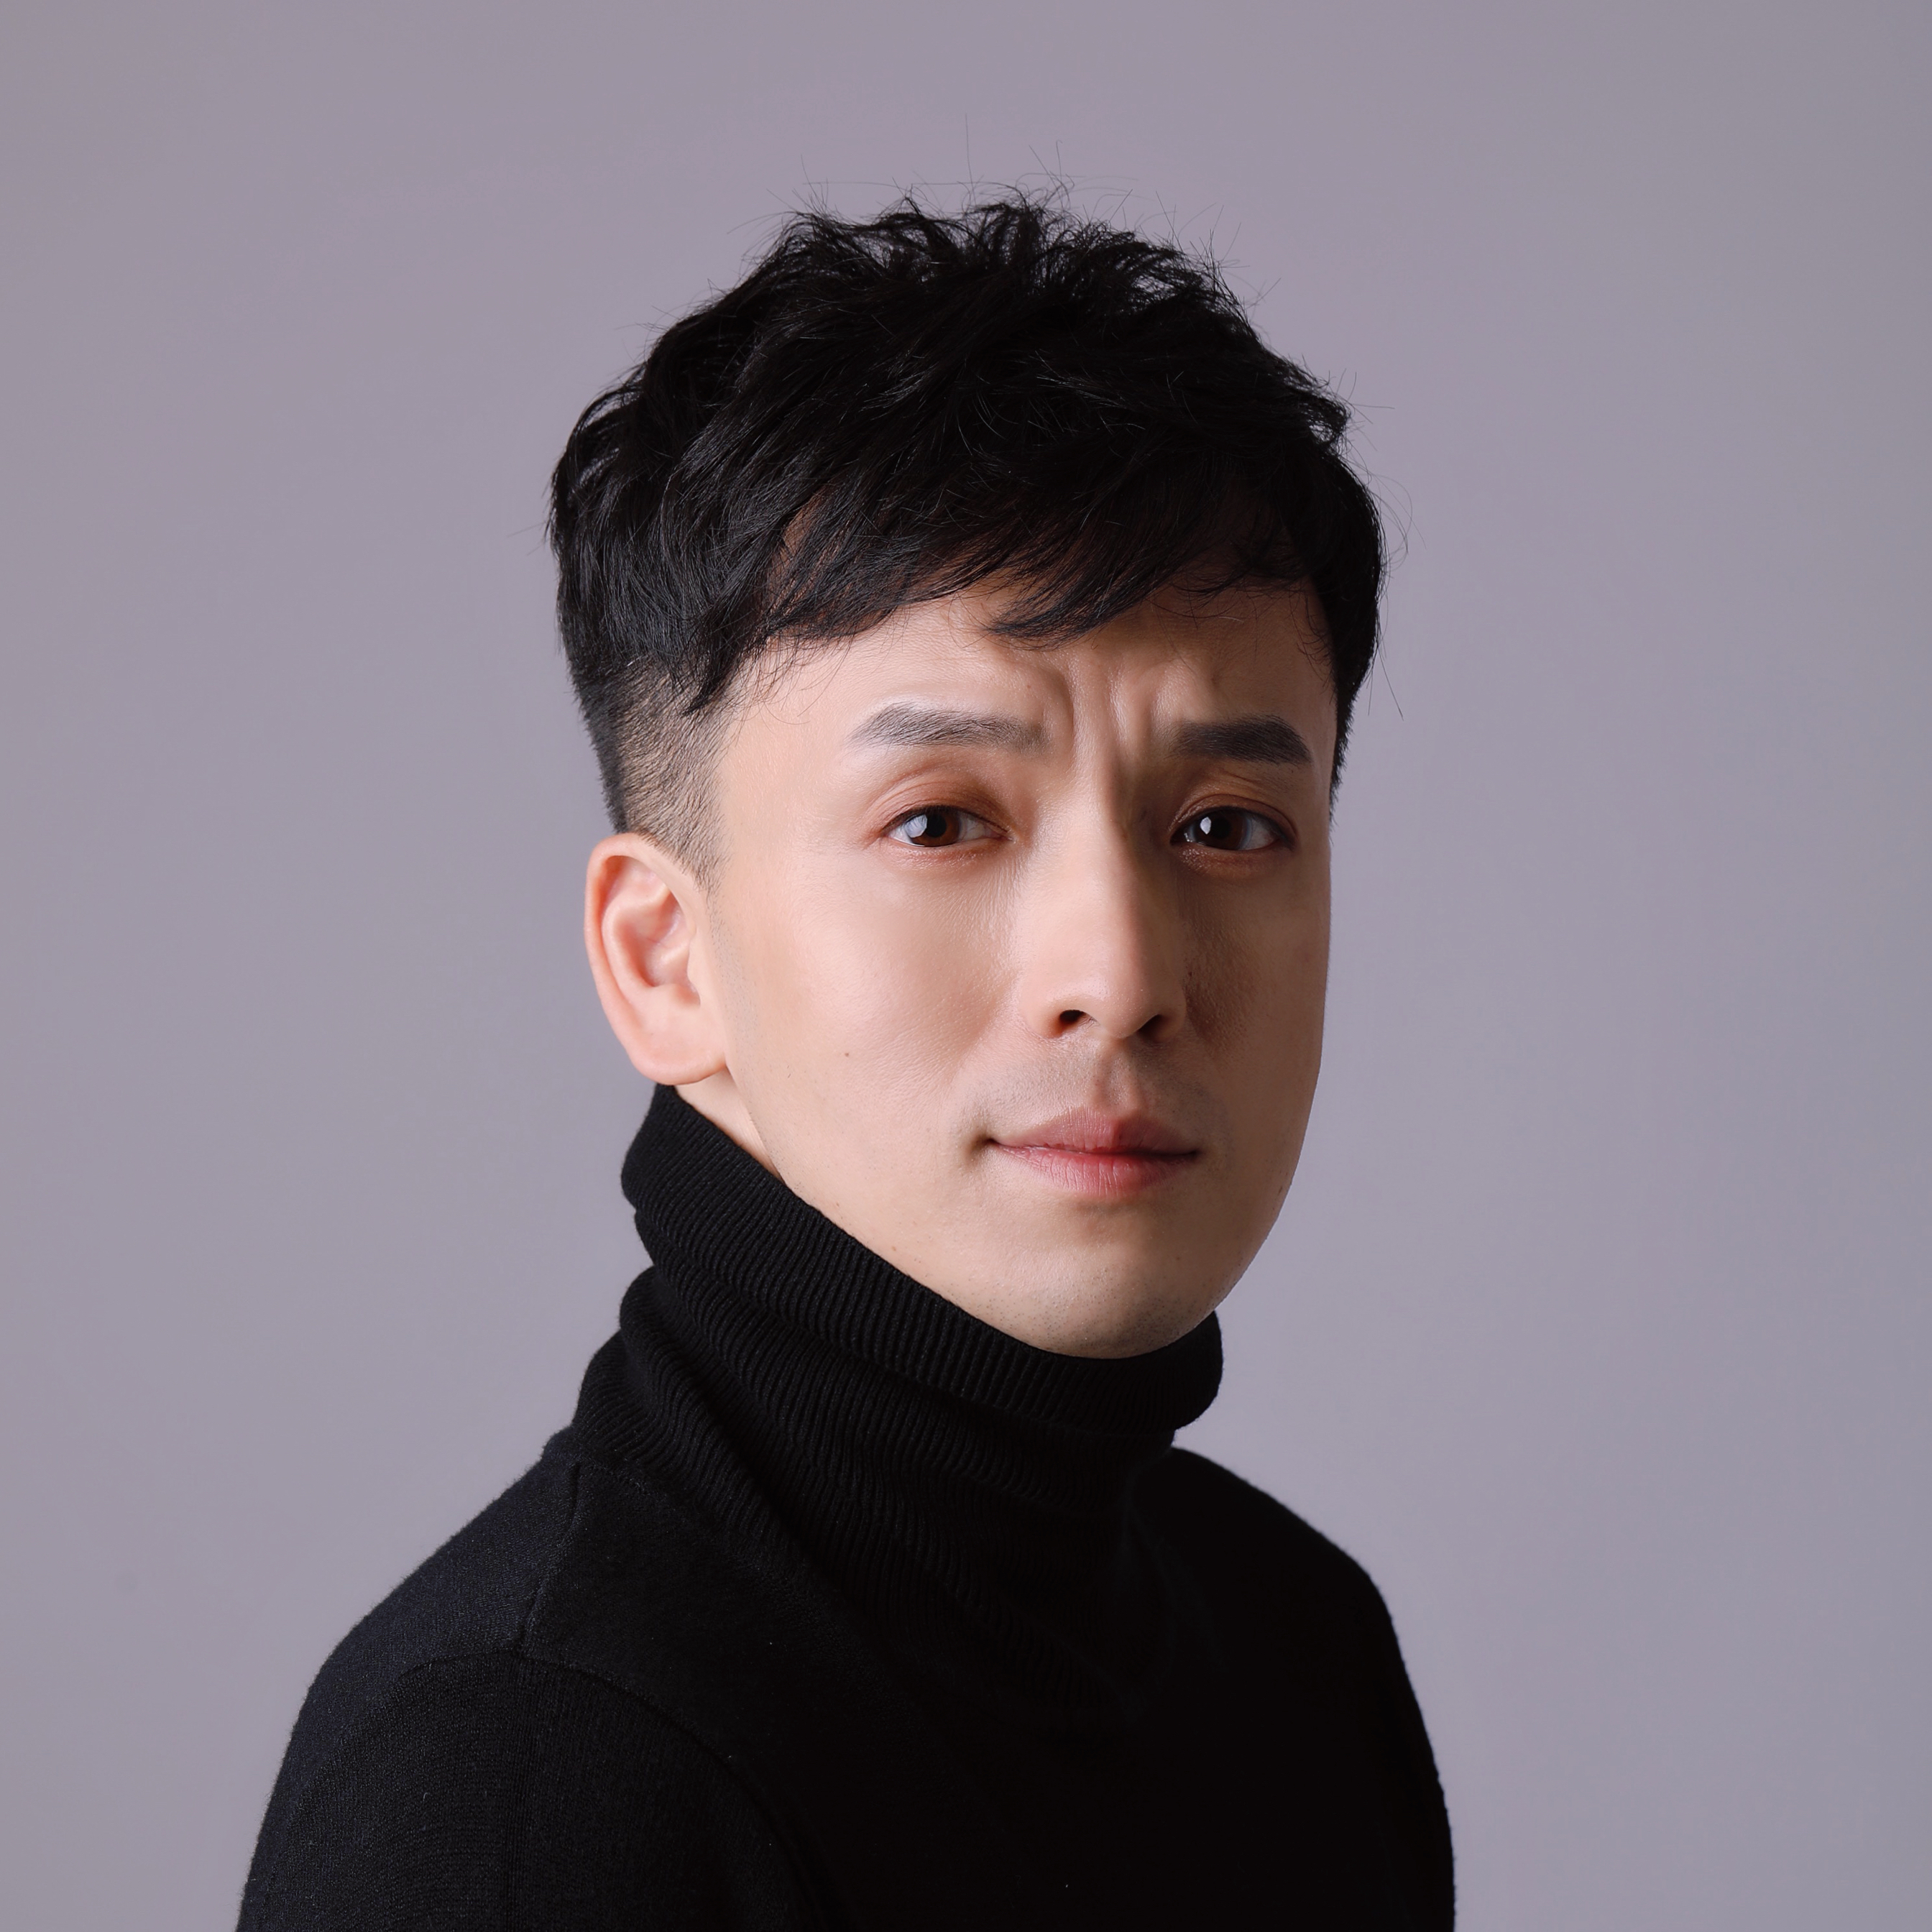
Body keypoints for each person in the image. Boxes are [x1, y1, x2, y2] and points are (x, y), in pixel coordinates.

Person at [239, 193, 1453, 1931]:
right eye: (943, 821)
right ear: (665, 962)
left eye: (1225, 826)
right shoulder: (539, 1783)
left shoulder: (1294, 1650)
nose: (1120, 979)